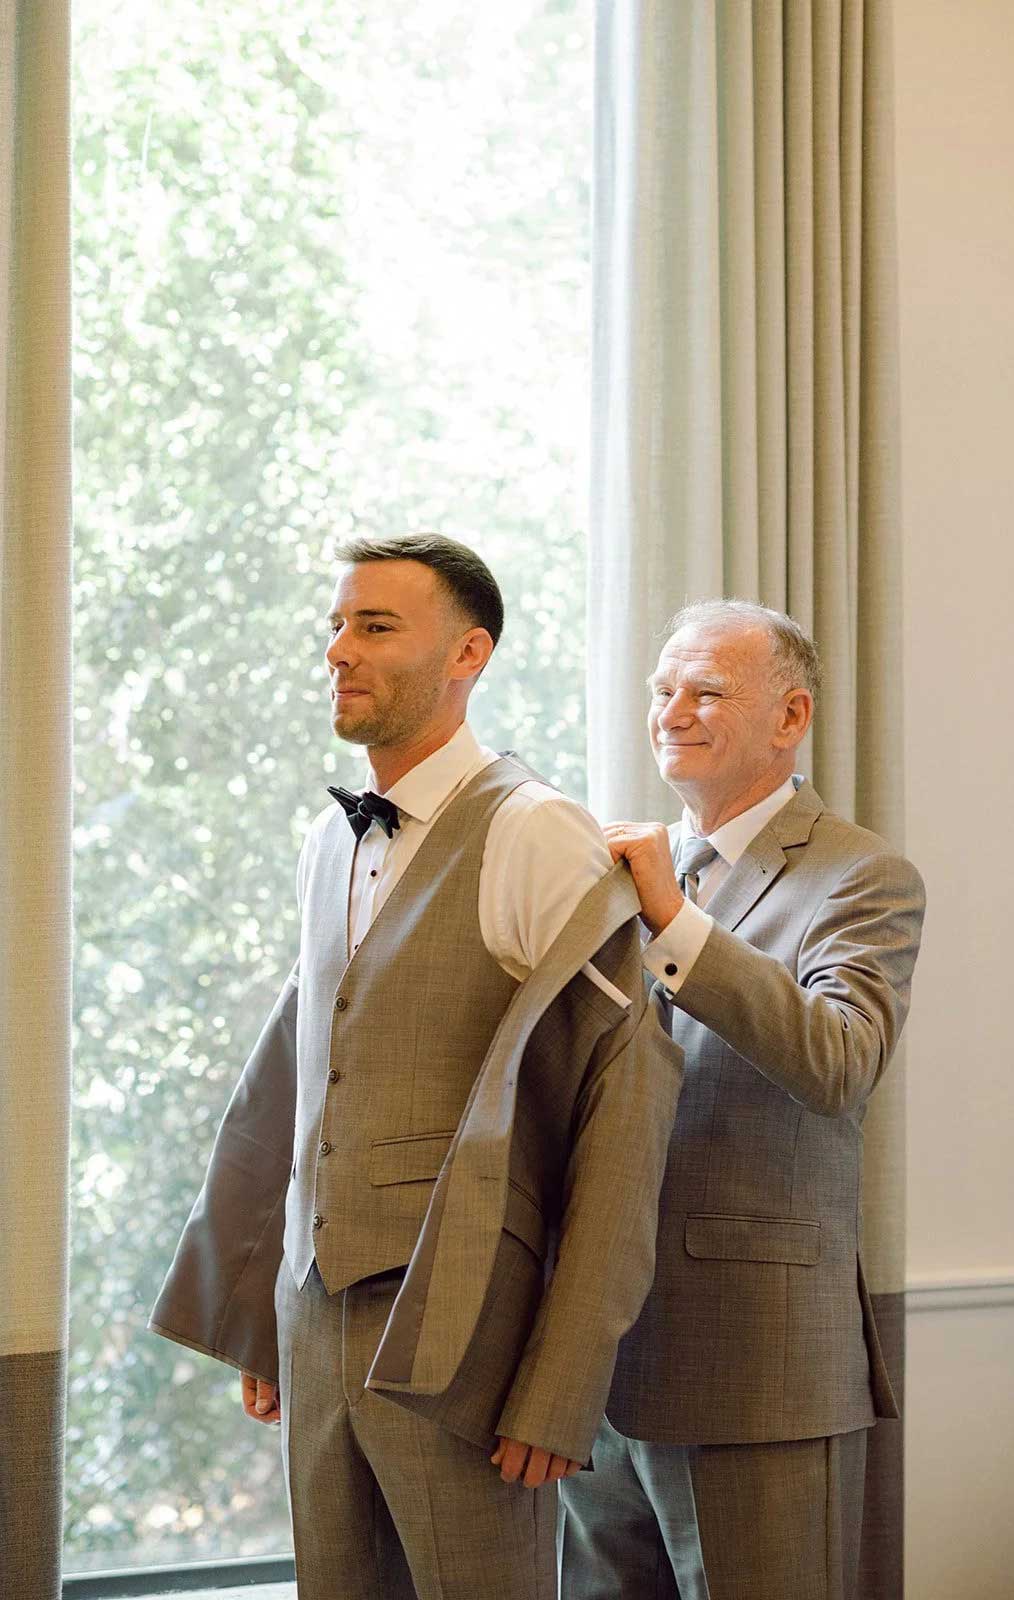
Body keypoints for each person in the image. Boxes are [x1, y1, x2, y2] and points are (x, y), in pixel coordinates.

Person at [150, 532, 682, 1599]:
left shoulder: (537, 831)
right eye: (336, 625)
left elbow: (625, 1111)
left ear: (467, 654)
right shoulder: (326, 844)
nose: (338, 649)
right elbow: (297, 1079)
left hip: (469, 1342)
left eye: (376, 625)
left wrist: (562, 1385)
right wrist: (263, 1312)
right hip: (314, 1320)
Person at [559, 599, 926, 1600]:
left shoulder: (863, 875)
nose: (673, 711)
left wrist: (675, 921)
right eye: (663, 689)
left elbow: (841, 1058)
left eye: (708, 691)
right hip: (588, 1376)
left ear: (790, 716)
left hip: (754, 1366)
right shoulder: (606, 874)